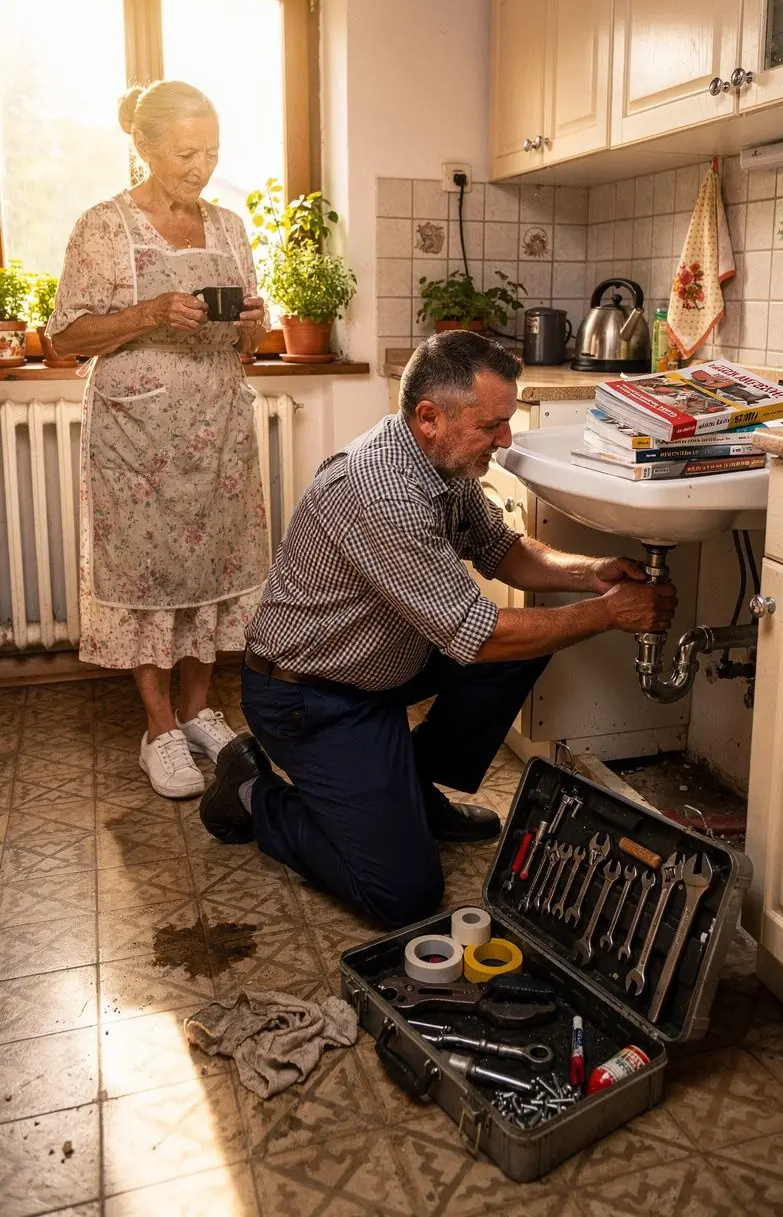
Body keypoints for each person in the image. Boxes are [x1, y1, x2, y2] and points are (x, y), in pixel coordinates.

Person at [199, 332, 677, 925]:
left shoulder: (443, 462)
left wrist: (591, 573)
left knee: (529, 642)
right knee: (403, 895)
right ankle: (252, 793)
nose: (505, 439)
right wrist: (607, 614)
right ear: (429, 417)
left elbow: (503, 549)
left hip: (380, 667)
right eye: (492, 425)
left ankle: (408, 789)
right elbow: (479, 635)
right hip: (308, 697)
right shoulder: (380, 491)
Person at [48, 80, 270, 799]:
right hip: (134, 435)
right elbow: (64, 338)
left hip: (219, 430)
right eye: (185, 153)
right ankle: (159, 729)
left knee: (211, 569)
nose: (201, 168)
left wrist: (253, 325)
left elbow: (252, 343)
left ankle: (199, 711)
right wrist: (148, 312)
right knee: (147, 576)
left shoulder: (229, 227)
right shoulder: (103, 227)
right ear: (143, 146)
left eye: (211, 153)